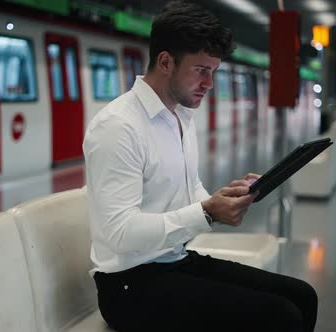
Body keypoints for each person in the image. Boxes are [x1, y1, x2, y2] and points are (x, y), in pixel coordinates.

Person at [83, 1, 318, 331]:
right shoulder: (118, 127)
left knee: (303, 295)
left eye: (214, 72)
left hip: (173, 261)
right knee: (281, 316)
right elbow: (119, 234)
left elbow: (191, 191)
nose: (209, 83)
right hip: (128, 285)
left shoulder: (181, 116)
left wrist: (224, 199)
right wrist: (208, 212)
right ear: (165, 62)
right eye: (201, 70)